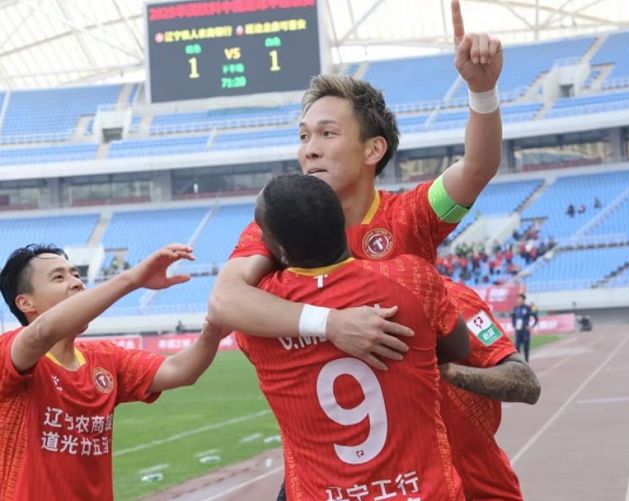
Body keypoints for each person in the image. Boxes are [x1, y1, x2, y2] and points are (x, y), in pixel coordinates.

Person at [209, 0, 503, 368]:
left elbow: (477, 167)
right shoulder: (280, 223)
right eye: (303, 136)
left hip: (415, 400)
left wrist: (482, 91)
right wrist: (331, 324)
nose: (310, 150)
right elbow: (224, 300)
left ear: (373, 149)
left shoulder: (409, 214)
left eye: (327, 133)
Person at [237, 174, 470, 500]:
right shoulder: (410, 278)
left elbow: (234, 303)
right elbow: (459, 347)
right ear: (342, 222)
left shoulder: (257, 317)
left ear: (279, 251)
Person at [0, 243, 228, 500]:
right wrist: (132, 280)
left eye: (75, 274)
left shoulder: (105, 358)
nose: (77, 283)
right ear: (25, 302)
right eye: (59, 278)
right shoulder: (9, 354)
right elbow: (42, 332)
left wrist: (213, 331)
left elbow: (179, 370)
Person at [439, 277, 539, 501]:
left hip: (478, 481)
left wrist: (447, 371)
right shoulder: (361, 308)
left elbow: (528, 383)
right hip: (406, 479)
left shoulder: (453, 298)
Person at [511, 293, 538, 362]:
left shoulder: (527, 308)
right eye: (517, 299)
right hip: (518, 331)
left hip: (525, 331)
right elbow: (513, 317)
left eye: (520, 299)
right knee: (517, 347)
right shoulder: (515, 308)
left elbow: (535, 317)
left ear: (523, 300)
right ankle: (519, 362)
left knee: (526, 348)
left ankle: (526, 361)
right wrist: (514, 325)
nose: (518, 301)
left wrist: (531, 326)